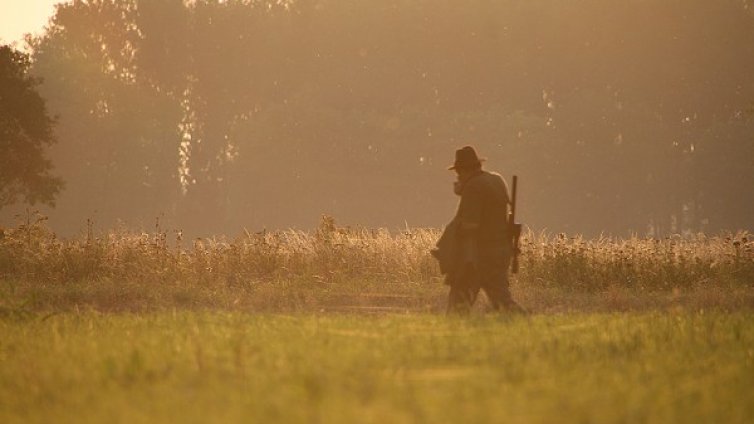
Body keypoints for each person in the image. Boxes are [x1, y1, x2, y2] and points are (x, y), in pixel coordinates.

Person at [432, 145, 525, 314]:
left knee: (458, 303)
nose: (458, 176)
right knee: (502, 300)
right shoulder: (496, 179)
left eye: (458, 172)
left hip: (479, 256)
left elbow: (470, 225)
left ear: (463, 170)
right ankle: (527, 324)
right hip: (500, 251)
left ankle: (451, 335)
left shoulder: (473, 187)